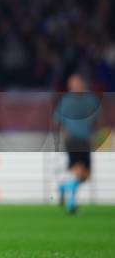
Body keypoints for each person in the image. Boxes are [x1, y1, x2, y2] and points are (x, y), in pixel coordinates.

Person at [55, 73, 100, 214]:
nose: (73, 87)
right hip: (73, 140)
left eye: (76, 83)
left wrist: (95, 134)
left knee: (86, 175)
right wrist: (65, 133)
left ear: (82, 84)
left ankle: (64, 188)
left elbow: (97, 118)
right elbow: (58, 119)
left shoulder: (91, 100)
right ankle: (72, 205)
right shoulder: (66, 100)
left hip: (85, 139)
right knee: (78, 170)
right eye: (71, 84)